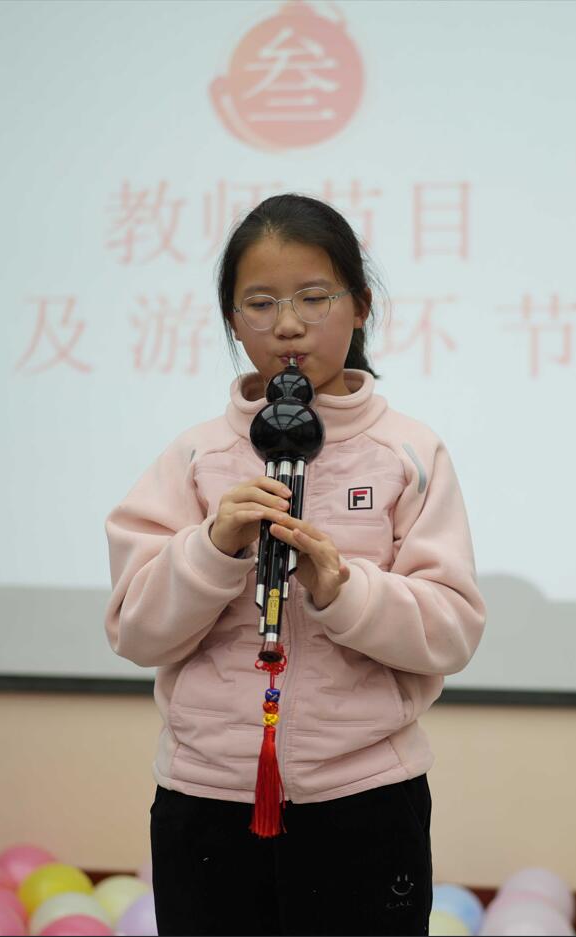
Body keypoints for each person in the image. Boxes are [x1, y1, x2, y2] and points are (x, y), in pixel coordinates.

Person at [104, 194, 486, 936]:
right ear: (232, 320)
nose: (287, 324)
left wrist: (343, 591)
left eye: (314, 297)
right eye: (260, 303)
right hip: (206, 800)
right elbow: (136, 632)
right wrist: (212, 550)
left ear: (361, 306)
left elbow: (452, 631)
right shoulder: (196, 457)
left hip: (366, 800)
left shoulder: (410, 453)